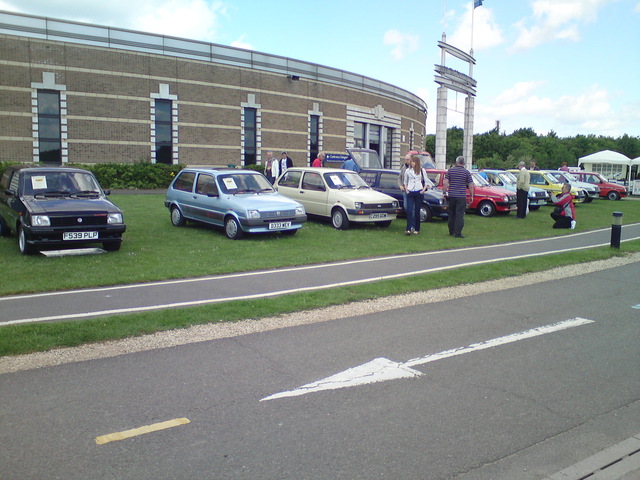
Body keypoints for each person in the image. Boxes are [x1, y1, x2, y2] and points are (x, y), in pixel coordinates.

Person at [443, 156, 474, 238]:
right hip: (461, 196)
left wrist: (444, 192)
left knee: (451, 214)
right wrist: (471, 196)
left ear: (456, 162)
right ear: (463, 163)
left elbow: (445, 182)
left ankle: (451, 231)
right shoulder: (466, 172)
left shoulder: (450, 171)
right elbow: (471, 185)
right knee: (459, 215)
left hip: (452, 195)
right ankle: (458, 233)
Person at [403, 155, 427, 235]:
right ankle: (408, 229)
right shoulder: (407, 171)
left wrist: (423, 190)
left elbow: (426, 182)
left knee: (417, 211)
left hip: (418, 191)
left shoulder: (422, 170)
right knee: (409, 210)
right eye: (411, 161)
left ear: (416, 162)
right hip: (410, 191)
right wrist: (406, 189)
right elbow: (405, 181)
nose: (411, 163)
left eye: (413, 161)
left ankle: (417, 229)